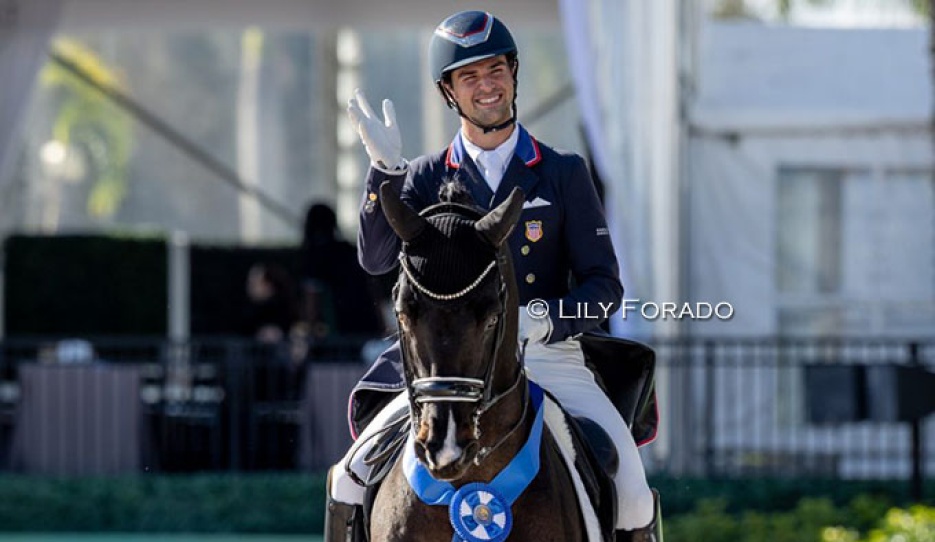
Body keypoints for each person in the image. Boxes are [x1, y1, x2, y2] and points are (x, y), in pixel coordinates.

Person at [327, 10, 660, 541]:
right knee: (347, 480)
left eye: (496, 70)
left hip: (548, 357)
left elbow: (605, 289)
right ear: (449, 92)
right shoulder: (426, 177)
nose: (487, 86)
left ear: (513, 74)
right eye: (470, 76)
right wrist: (384, 173)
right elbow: (375, 259)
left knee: (634, 491)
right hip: (444, 366)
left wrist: (547, 320)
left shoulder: (562, 172)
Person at [299, 202, 387, 340]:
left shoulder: (314, 258)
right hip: (367, 324)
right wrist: (382, 326)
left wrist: (311, 333)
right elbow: (374, 290)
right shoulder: (351, 252)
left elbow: (312, 301)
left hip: (337, 330)